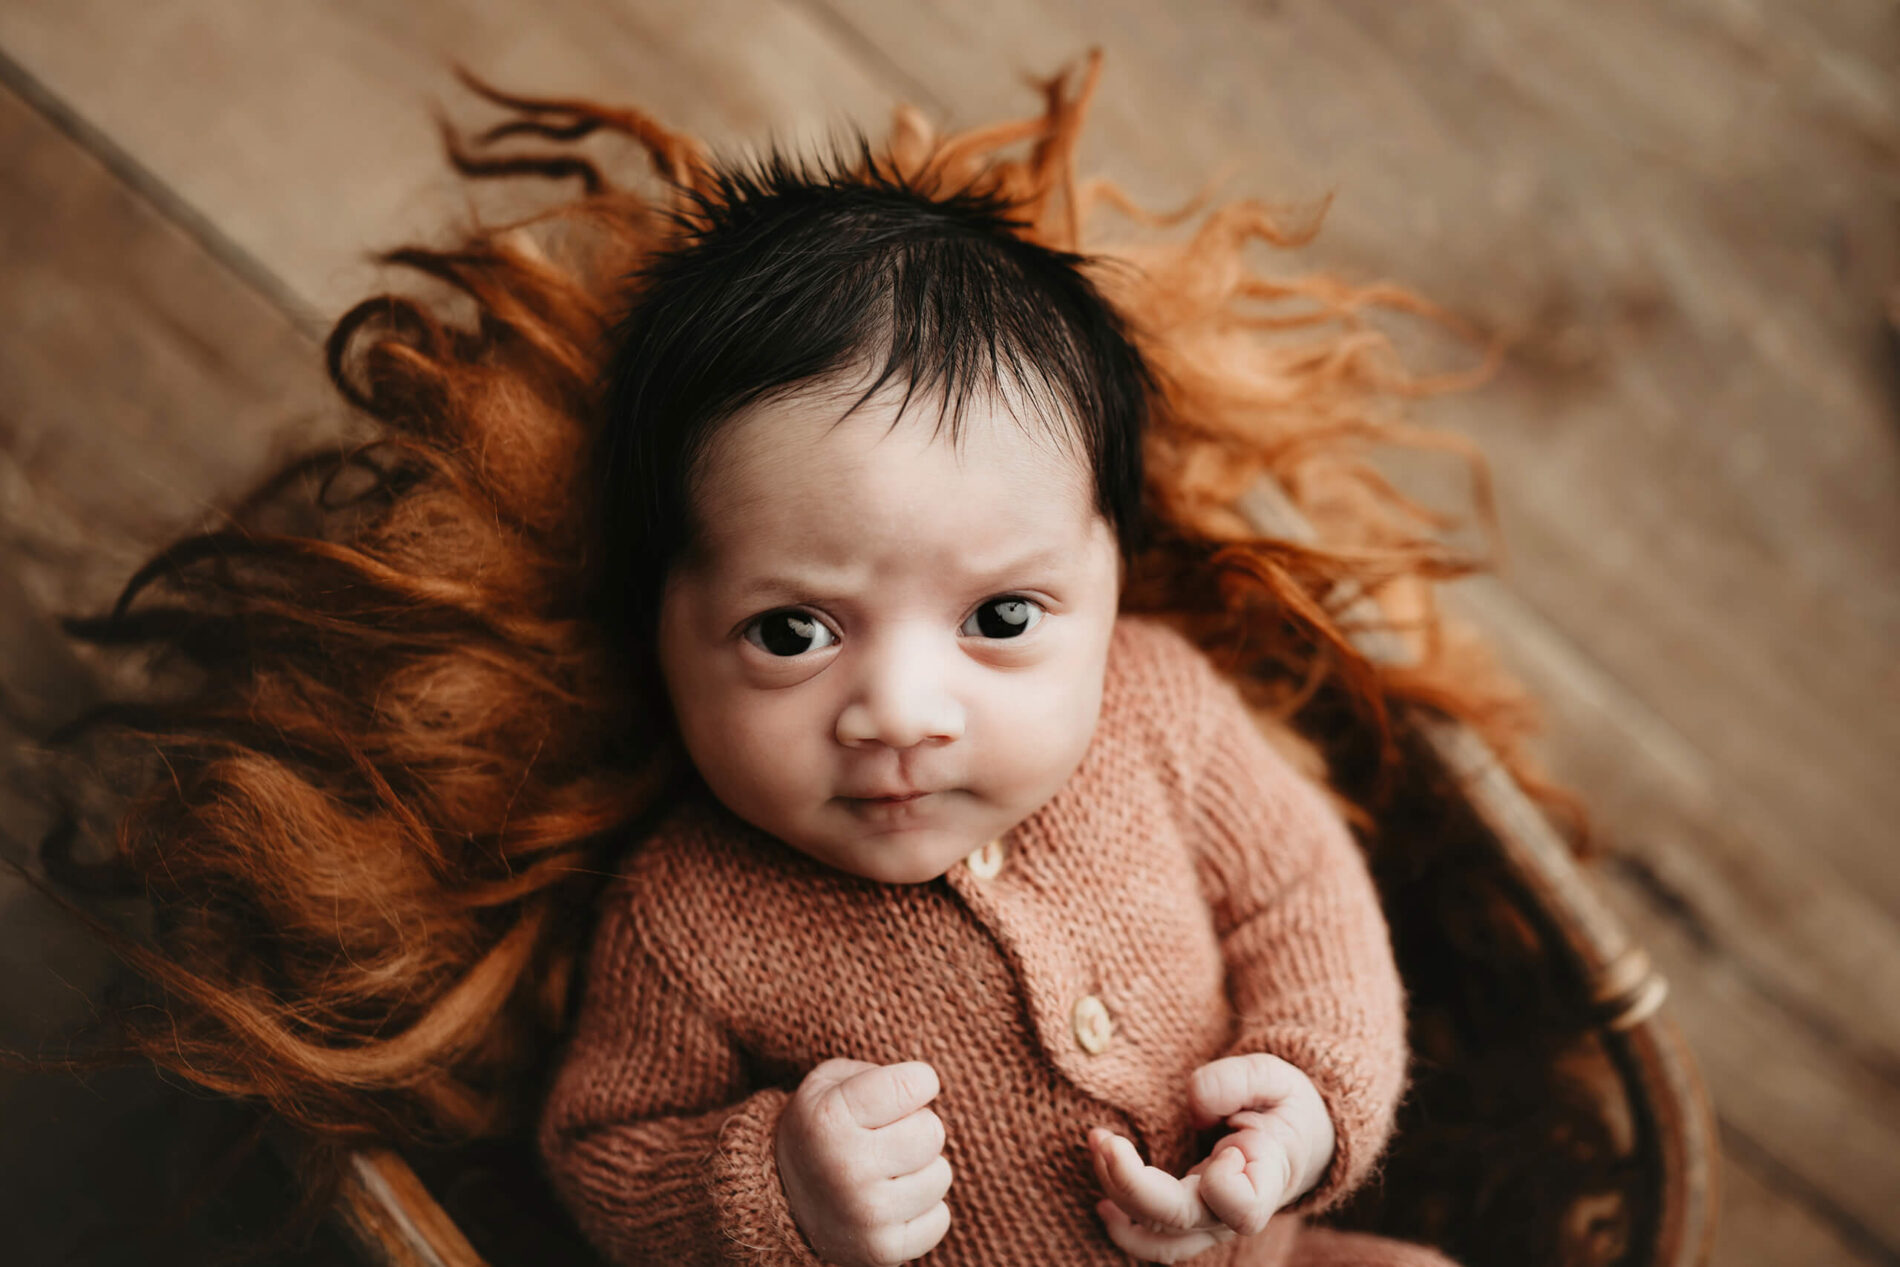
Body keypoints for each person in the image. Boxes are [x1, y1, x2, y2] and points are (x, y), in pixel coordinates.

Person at [47, 50, 1547, 1267]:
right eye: (790, 633)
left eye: (1003, 620)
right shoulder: (693, 919)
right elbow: (606, 1155)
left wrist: (1303, 1105)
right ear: (666, 635)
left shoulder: (1162, 705)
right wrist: (772, 1185)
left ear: (1108, 578)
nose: (899, 711)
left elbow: (1303, 899)